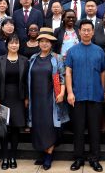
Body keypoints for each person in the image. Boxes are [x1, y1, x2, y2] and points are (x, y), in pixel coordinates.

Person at [66, 19, 105, 172]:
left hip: (95, 96)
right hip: (77, 96)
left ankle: (95, 158)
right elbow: (68, 72)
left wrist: (103, 90)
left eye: (89, 30)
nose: (86, 32)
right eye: (84, 30)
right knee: (78, 129)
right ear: (79, 32)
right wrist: (70, 92)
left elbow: (103, 71)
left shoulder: (99, 51)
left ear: (93, 32)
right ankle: (78, 158)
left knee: (95, 130)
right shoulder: (72, 51)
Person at [28, 27, 69, 170]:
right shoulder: (32, 58)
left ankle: (49, 156)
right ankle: (43, 151)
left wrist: (61, 93)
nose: (44, 44)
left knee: (50, 126)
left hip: (50, 97)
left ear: (51, 44)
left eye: (47, 41)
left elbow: (62, 78)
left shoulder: (57, 58)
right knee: (38, 126)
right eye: (42, 41)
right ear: (38, 43)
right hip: (35, 98)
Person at [0, 33, 29, 170]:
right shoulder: (0, 60)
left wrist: (27, 97)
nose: (14, 45)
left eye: (16, 42)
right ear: (7, 44)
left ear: (19, 45)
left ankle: (13, 156)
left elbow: (26, 81)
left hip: (18, 98)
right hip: (3, 97)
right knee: (3, 129)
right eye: (11, 43)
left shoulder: (25, 60)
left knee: (15, 129)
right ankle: (5, 157)